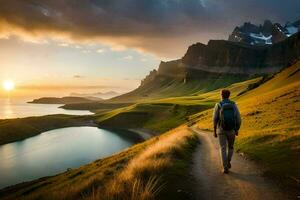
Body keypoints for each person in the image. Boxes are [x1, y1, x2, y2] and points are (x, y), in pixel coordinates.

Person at [213, 89, 241, 174]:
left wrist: (214, 130)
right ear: (229, 95)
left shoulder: (218, 105)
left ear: (221, 95)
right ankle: (228, 161)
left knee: (223, 148)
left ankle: (225, 167)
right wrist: (236, 129)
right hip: (232, 130)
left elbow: (215, 119)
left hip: (221, 130)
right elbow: (238, 119)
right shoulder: (234, 105)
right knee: (231, 147)